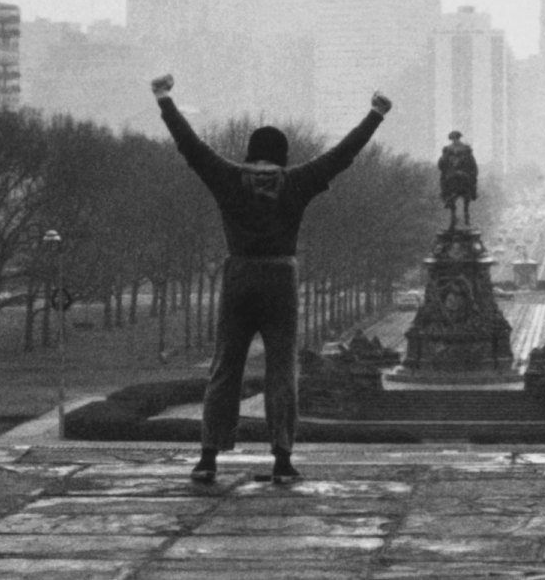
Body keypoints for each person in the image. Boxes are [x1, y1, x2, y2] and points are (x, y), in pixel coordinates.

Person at [152, 73, 391, 484]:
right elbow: (343, 155)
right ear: (282, 156)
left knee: (226, 365)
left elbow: (190, 146)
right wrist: (375, 115)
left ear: (250, 153)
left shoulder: (228, 177)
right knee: (283, 369)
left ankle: (208, 458)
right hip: (281, 275)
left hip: (239, 272)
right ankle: (282, 459)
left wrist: (165, 100)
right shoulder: (296, 182)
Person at [438, 130, 478, 229]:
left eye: (454, 138)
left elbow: (442, 163)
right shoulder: (465, 149)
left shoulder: (448, 149)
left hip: (453, 173)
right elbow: (472, 164)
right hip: (464, 173)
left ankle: (446, 196)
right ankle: (472, 194)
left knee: (444, 181)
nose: (454, 140)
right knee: (472, 180)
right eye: (453, 138)